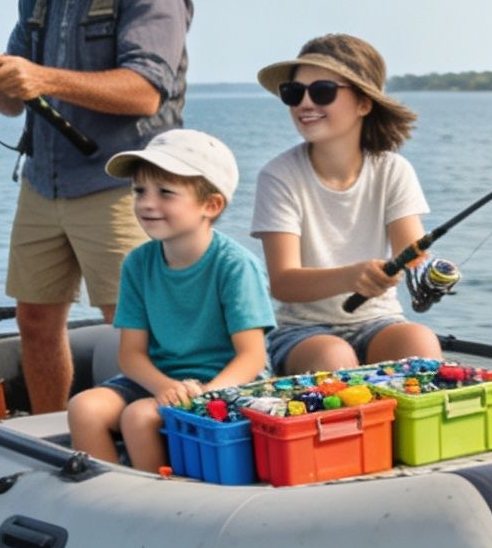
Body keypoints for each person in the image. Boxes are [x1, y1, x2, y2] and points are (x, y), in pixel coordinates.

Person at [0, 0, 193, 417]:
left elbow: (146, 89)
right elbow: (6, 102)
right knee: (34, 319)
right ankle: (54, 435)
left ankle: (169, 443)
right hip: (43, 182)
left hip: (121, 185)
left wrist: (42, 78)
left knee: (131, 325)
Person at [66, 130, 272, 469]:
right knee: (84, 408)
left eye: (165, 193)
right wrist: (164, 387)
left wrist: (205, 396)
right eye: (139, 191)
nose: (147, 203)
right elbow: (131, 355)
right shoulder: (138, 263)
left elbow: (251, 357)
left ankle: (161, 507)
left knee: (139, 417)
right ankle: (106, 503)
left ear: (211, 205)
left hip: (229, 385)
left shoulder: (236, 266)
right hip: (159, 380)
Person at [249, 35, 447, 375]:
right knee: (334, 358)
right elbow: (283, 283)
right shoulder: (278, 176)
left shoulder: (393, 170)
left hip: (381, 321)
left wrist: (430, 273)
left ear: (364, 103)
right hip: (302, 332)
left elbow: (411, 254)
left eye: (322, 91)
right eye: (294, 93)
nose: (304, 104)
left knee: (421, 344)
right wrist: (351, 277)